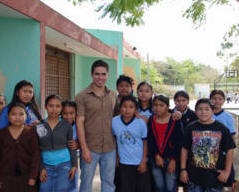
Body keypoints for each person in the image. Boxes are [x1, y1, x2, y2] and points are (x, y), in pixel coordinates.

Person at [75, 60, 117, 192]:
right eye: (97, 74)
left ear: (108, 75)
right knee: (86, 182)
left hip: (110, 147)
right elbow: (79, 122)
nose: (100, 77)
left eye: (103, 74)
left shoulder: (113, 95)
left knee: (109, 183)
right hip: (90, 147)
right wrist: (84, 148)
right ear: (92, 74)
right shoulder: (81, 96)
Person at [180, 98, 235, 192]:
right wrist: (183, 170)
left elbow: (230, 150)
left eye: (207, 109)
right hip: (194, 176)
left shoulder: (222, 128)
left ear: (212, 111)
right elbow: (184, 149)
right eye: (200, 109)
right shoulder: (190, 128)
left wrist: (226, 172)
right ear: (196, 111)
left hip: (215, 177)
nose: (203, 112)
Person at [37, 94, 77, 192]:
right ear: (45, 107)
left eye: (58, 106)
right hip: (46, 167)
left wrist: (74, 165)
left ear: (61, 108)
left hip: (64, 166)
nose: (54, 109)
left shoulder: (66, 125)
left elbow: (71, 146)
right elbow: (38, 149)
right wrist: (41, 168)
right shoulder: (40, 126)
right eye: (51, 106)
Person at [112, 95, 151, 192]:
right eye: (124, 106)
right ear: (120, 108)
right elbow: (114, 140)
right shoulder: (114, 121)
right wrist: (116, 155)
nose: (127, 110)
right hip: (123, 163)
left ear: (135, 109)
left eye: (131, 107)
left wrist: (143, 161)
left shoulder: (140, 123)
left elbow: (145, 143)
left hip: (138, 163)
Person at [0, 102, 40, 192]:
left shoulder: (31, 132)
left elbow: (36, 155)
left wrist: (33, 177)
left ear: (26, 116)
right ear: (8, 116)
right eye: (14, 114)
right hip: (6, 179)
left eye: (21, 114)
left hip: (27, 178)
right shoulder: (2, 133)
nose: (17, 117)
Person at [148, 95, 183, 192]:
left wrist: (173, 160)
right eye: (155, 105)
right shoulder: (151, 120)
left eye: (161, 105)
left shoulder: (175, 120)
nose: (157, 108)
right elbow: (150, 140)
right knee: (159, 186)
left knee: (170, 186)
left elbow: (179, 142)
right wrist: (156, 156)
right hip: (156, 159)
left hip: (171, 159)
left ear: (167, 107)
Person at [62, 100, 80, 192]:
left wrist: (78, 144)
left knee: (72, 183)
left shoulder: (78, 125)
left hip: (73, 160)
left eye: (71, 113)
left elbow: (84, 140)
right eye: (65, 113)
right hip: (59, 161)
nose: (68, 116)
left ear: (76, 113)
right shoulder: (57, 124)